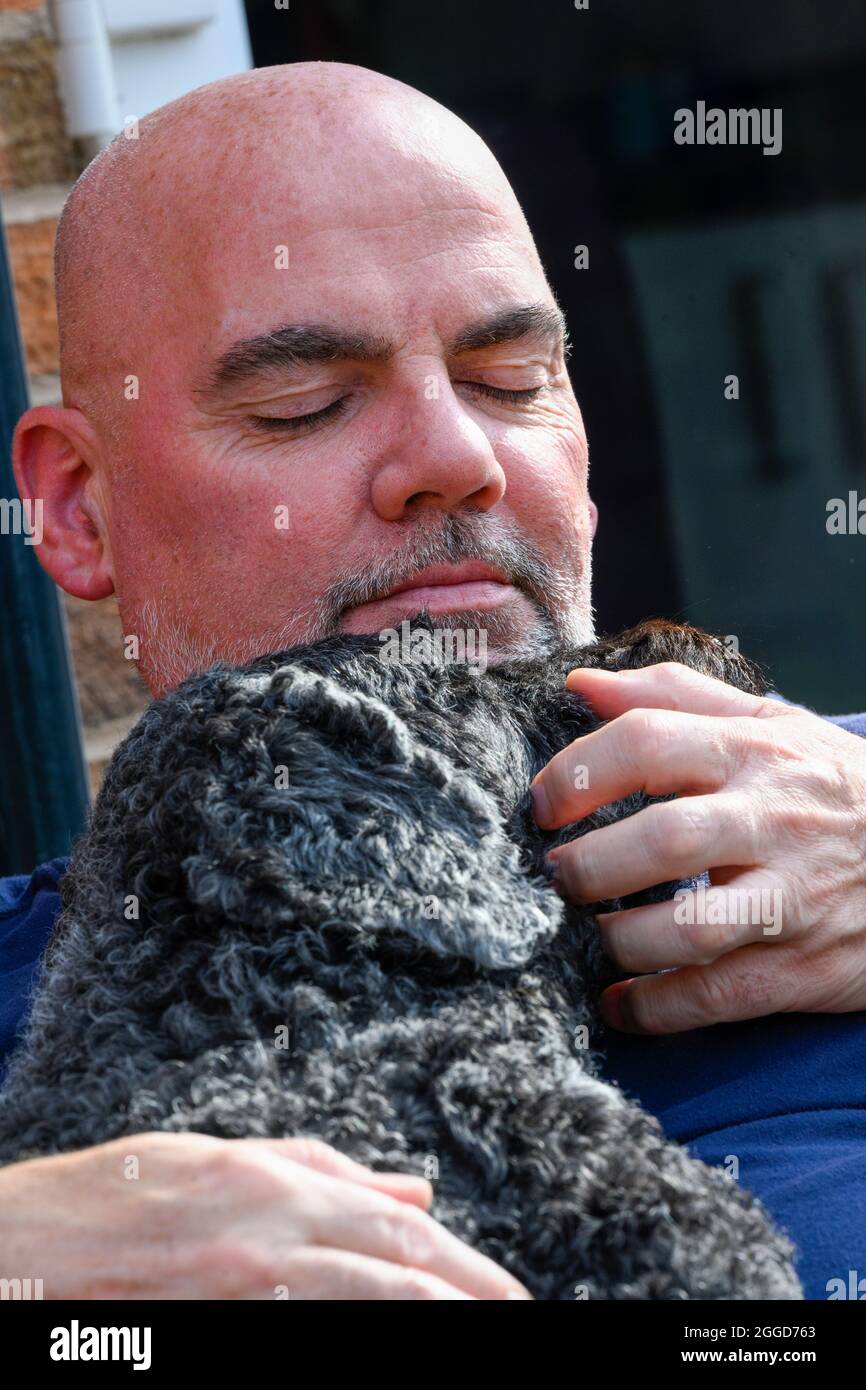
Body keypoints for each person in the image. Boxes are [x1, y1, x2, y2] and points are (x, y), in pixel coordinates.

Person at [2, 62, 865, 1300]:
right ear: (80, 509)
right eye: (303, 405)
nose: (456, 458)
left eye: (510, 379)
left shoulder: (835, 823)